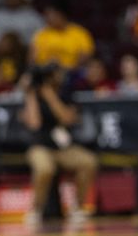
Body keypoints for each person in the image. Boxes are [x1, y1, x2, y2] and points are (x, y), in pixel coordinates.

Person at [21, 64, 97, 223]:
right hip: (40, 146)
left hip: (64, 148)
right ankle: (36, 209)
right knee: (45, 168)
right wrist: (30, 94)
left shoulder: (66, 94)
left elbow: (67, 118)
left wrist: (50, 97)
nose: (59, 77)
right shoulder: (34, 95)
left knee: (88, 162)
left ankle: (77, 207)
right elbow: (34, 123)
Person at [31, 0, 95, 71]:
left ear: (61, 14)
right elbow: (32, 58)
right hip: (45, 72)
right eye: (46, 15)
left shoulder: (80, 33)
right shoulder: (41, 34)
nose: (47, 18)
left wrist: (66, 68)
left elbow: (85, 56)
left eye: (50, 15)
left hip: (72, 72)